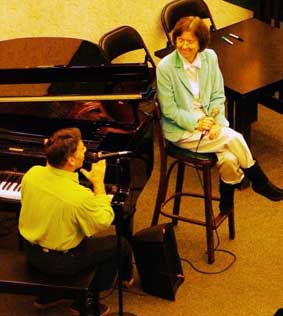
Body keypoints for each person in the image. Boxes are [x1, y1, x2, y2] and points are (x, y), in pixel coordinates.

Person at [156, 16, 283, 215]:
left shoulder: (210, 57)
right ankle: (260, 181)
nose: (184, 46)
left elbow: (217, 96)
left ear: (201, 42)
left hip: (211, 122)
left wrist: (216, 124)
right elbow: (170, 111)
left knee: (230, 158)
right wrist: (198, 123)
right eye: (180, 40)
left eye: (190, 41)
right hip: (183, 128)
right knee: (235, 137)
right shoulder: (165, 67)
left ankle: (226, 201)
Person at [18, 127, 133, 316]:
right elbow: (104, 220)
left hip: (31, 251)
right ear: (70, 160)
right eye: (82, 149)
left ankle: (50, 295)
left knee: (69, 230)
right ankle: (86, 301)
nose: (86, 151)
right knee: (121, 244)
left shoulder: (32, 173)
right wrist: (98, 183)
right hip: (60, 261)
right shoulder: (79, 196)